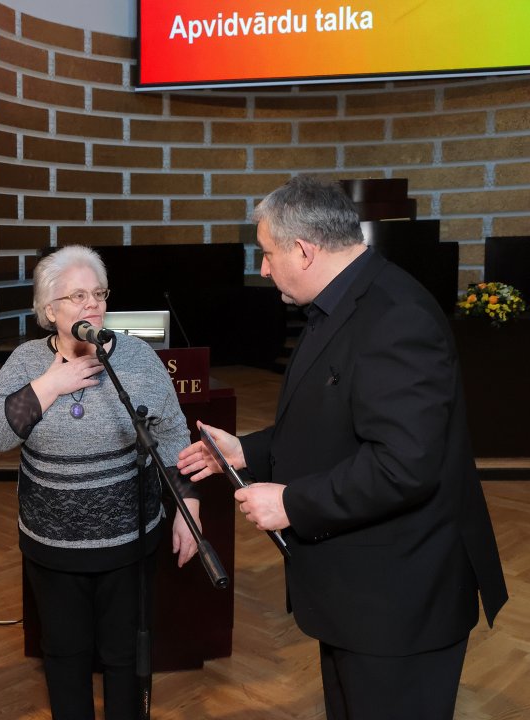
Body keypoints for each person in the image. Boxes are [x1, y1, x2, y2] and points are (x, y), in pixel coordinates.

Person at [178, 176, 509, 719]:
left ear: (303, 250)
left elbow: (403, 465)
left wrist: (290, 504)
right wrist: (246, 452)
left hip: (399, 603)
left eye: (266, 253)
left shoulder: (394, 316)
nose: (261, 268)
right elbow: (334, 426)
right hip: (359, 597)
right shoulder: (345, 301)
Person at [0, 244, 200, 719]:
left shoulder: (137, 358)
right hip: (52, 545)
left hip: (128, 539)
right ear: (49, 310)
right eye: (77, 296)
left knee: (125, 658)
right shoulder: (25, 362)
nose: (92, 305)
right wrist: (51, 385)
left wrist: (188, 507)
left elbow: (173, 436)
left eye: (98, 293)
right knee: (65, 657)